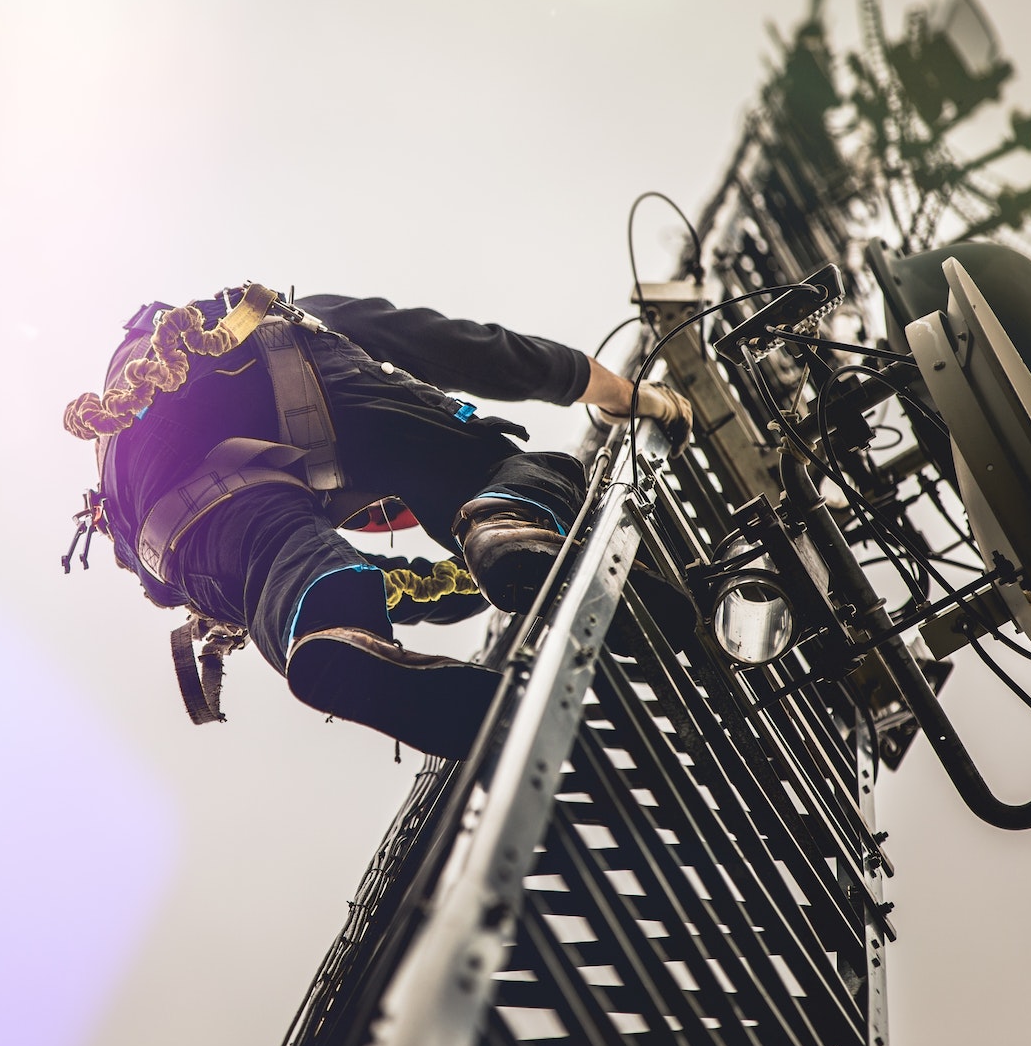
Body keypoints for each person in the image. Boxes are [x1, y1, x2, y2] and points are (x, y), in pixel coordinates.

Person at [61, 283, 690, 759]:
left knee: (281, 561)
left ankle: (334, 637)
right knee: (503, 467)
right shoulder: (327, 318)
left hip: (156, 521)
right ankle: (508, 513)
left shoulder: (279, 497)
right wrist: (635, 399)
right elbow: (489, 353)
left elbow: (390, 585)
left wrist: (479, 576)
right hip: (251, 358)